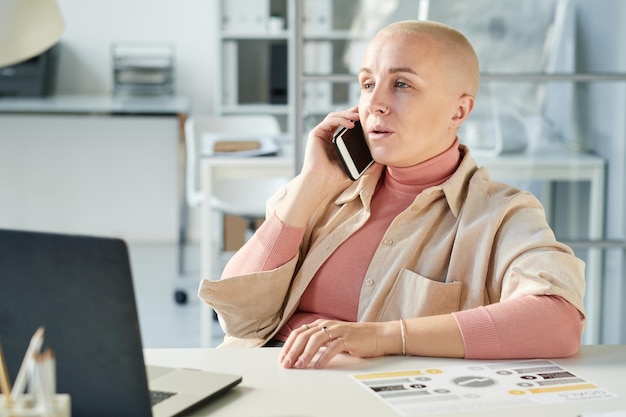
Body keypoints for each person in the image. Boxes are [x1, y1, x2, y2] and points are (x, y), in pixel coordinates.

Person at [198, 20, 586, 369]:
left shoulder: (502, 215)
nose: (374, 104)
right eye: (367, 84)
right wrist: (309, 184)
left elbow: (558, 320)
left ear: (459, 110)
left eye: (401, 84)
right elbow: (239, 318)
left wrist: (384, 336)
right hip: (268, 383)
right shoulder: (324, 191)